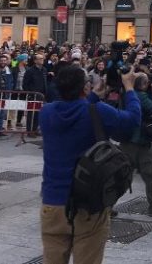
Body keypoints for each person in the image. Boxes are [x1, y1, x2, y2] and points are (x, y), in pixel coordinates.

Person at [40, 66, 140, 264]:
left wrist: (92, 96)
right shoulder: (98, 111)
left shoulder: (46, 112)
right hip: (88, 203)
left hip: (53, 202)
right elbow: (132, 120)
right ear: (84, 88)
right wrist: (129, 88)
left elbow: (78, 112)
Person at [120, 74, 152, 216]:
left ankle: (107, 205)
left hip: (130, 140)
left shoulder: (129, 94)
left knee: (123, 176)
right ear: (144, 84)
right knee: (149, 176)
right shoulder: (141, 96)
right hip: (139, 142)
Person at [23, 53, 48, 136]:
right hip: (33, 94)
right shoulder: (30, 71)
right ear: (35, 60)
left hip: (42, 94)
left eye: (42, 59)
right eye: (40, 59)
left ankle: (35, 129)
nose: (42, 60)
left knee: (39, 113)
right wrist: (30, 92)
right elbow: (25, 83)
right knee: (31, 114)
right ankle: (30, 131)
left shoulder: (44, 69)